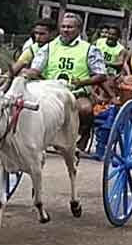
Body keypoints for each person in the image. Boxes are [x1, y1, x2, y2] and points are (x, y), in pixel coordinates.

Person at [25, 12, 107, 150]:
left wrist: (82, 82)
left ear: (79, 29)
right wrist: (27, 73)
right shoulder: (49, 47)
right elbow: (36, 69)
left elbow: (101, 75)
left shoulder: (90, 49)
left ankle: (85, 132)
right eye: (63, 27)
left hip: (77, 93)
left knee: (85, 110)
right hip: (50, 92)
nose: (65, 30)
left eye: (70, 27)